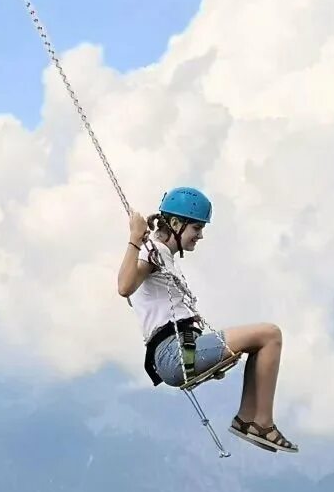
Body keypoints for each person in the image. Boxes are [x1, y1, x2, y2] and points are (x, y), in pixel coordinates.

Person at [116, 186, 298, 453]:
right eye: (197, 228)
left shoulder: (161, 254)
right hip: (173, 353)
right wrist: (134, 238)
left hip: (178, 350)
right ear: (176, 224)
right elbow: (124, 286)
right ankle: (260, 423)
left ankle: (249, 420)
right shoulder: (150, 250)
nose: (200, 236)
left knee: (263, 339)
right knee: (270, 335)